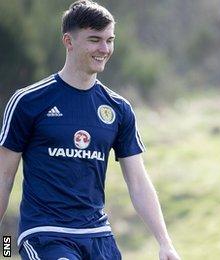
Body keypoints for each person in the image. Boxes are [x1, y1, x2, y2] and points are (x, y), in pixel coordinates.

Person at [0, 1, 180, 259]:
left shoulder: (119, 109)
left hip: (98, 237)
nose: (104, 49)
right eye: (95, 40)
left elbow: (138, 182)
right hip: (45, 235)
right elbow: (4, 180)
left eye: (110, 40)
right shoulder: (28, 102)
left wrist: (165, 243)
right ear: (68, 41)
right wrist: (5, 248)